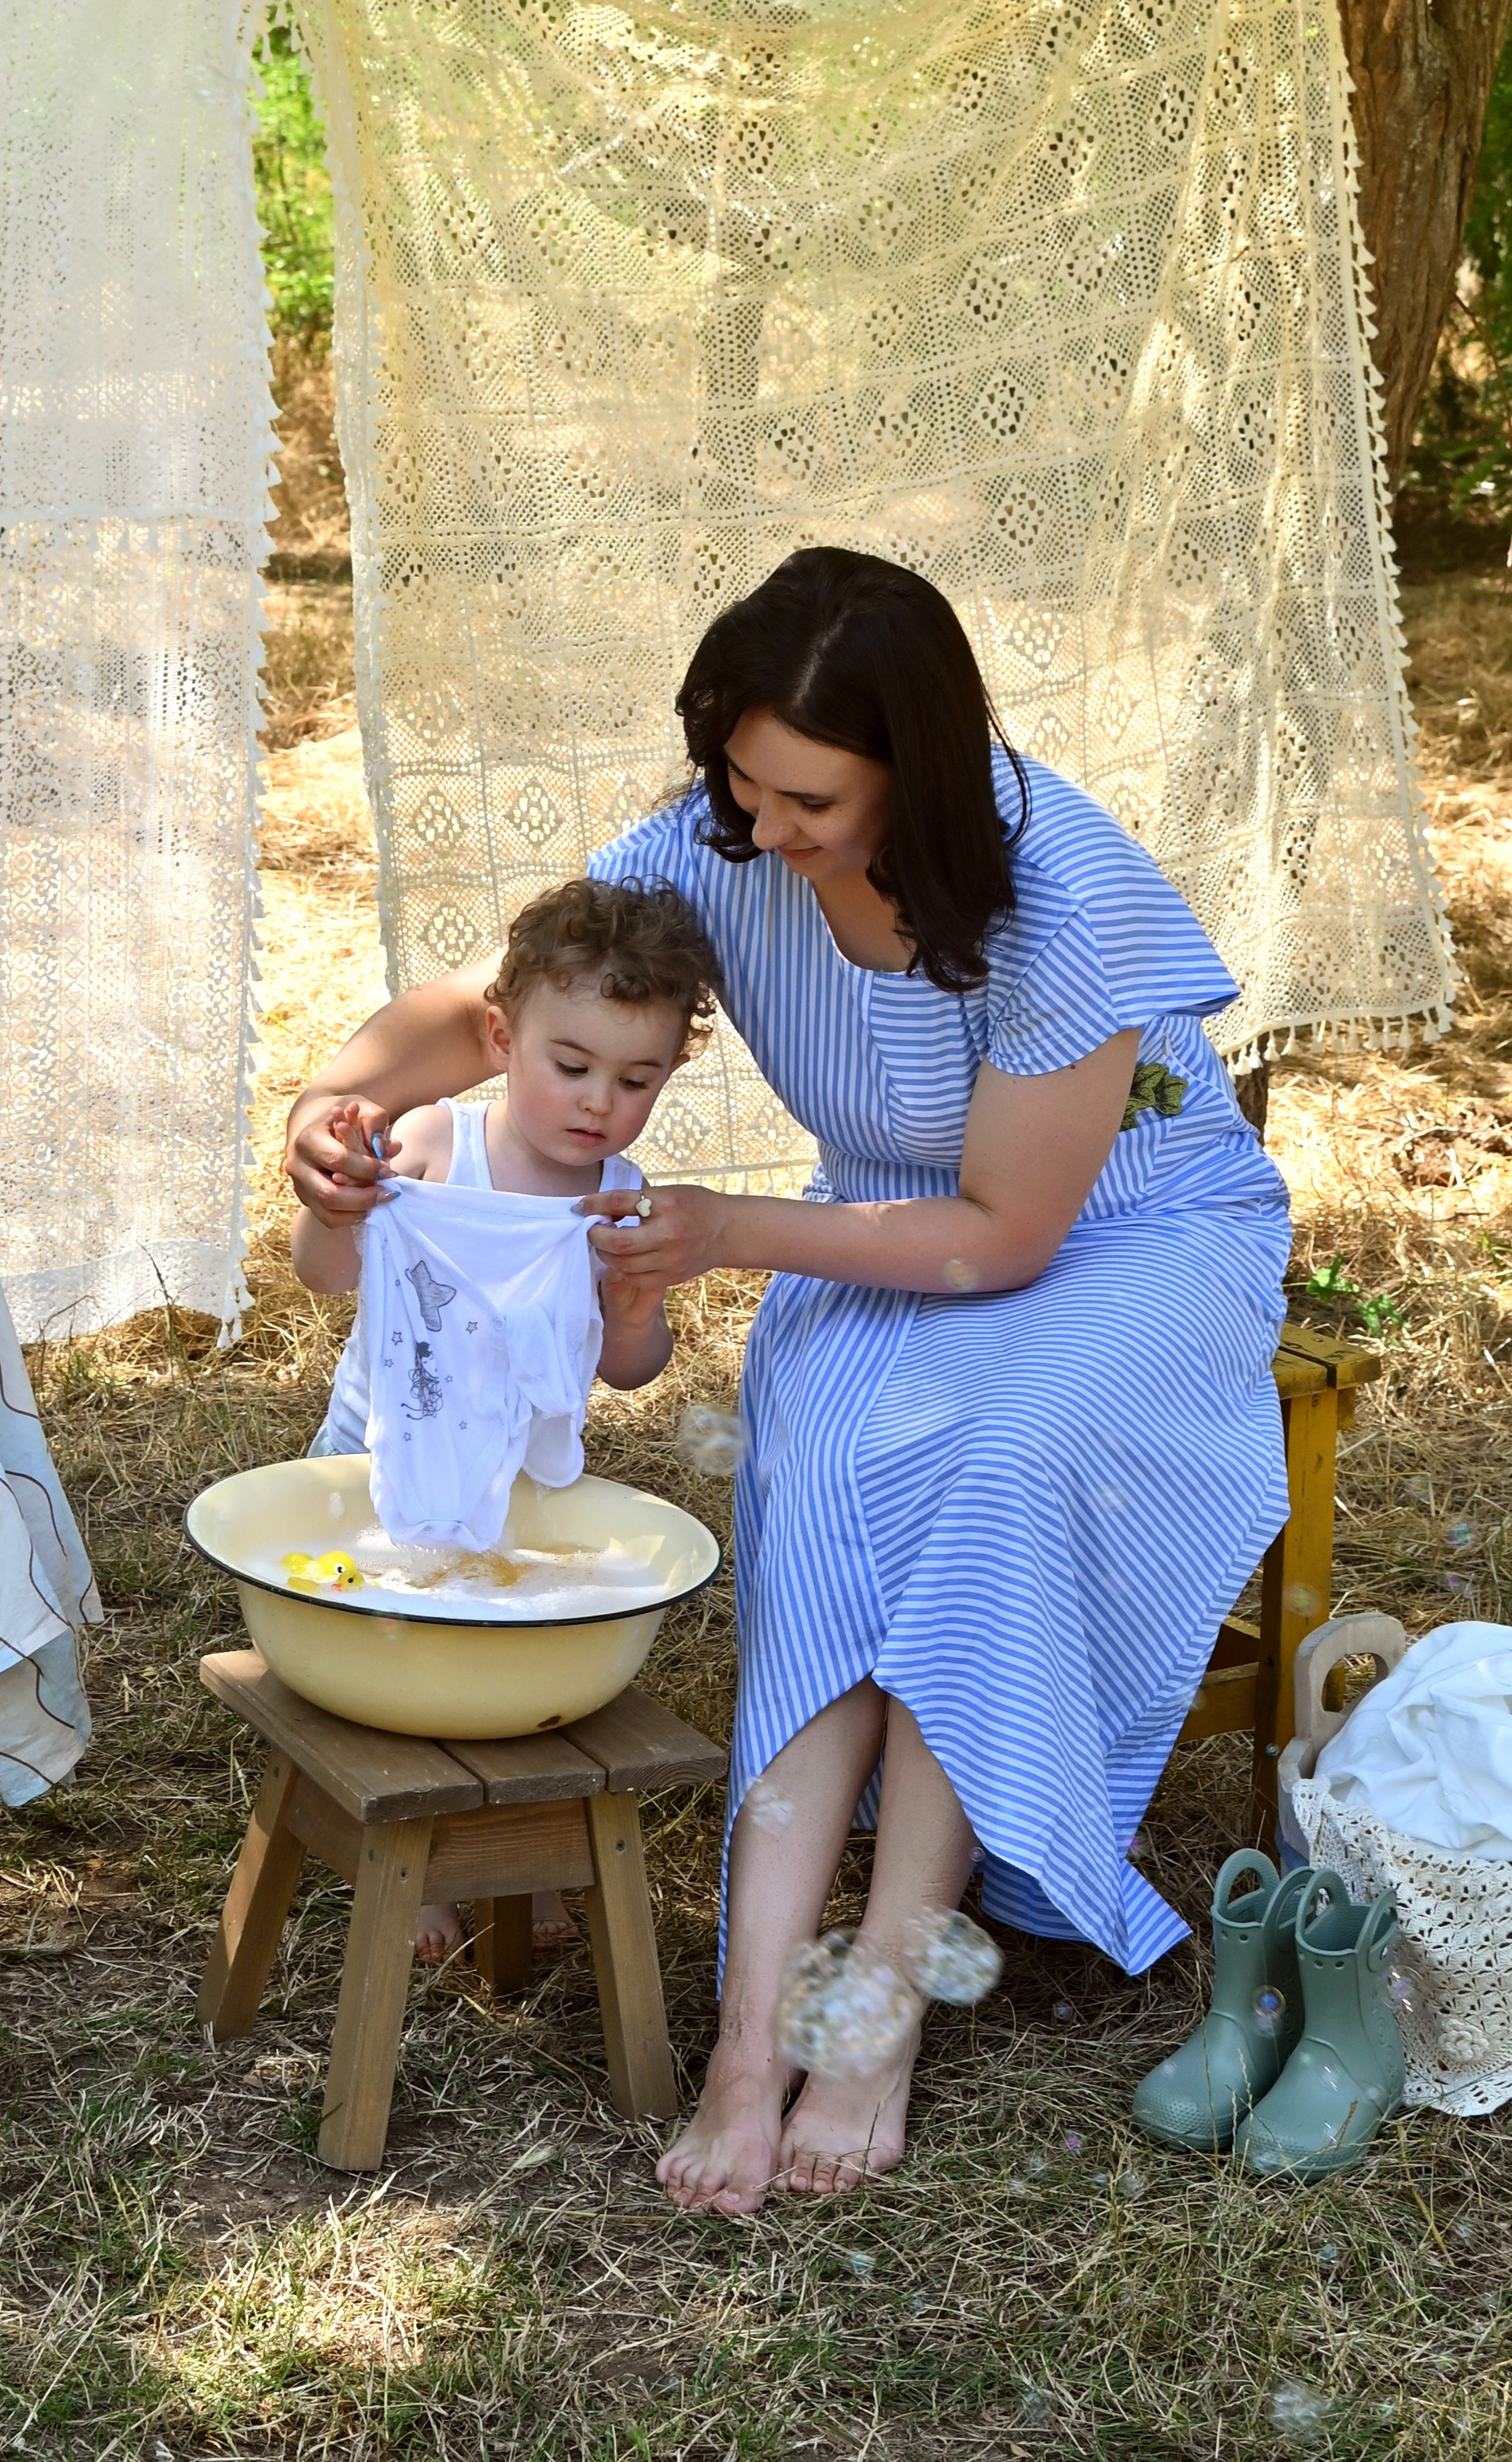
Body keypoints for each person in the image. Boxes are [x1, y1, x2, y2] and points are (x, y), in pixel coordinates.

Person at [287, 548, 1290, 2217]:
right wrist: (330, 1101)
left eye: (806, 795)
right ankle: (753, 2042)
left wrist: (717, 1229)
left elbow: (1003, 1237)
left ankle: (876, 2002)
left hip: (1119, 1244)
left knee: (1002, 1466)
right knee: (820, 1467)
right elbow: (491, 1010)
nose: (759, 830)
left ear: (924, 766)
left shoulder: (1065, 898)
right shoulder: (720, 840)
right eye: (737, 782)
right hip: (878, 1230)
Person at [292, 871, 720, 1965]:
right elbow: (323, 1276)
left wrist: (632, 1304)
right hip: (386, 1464)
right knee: (406, 1667)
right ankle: (420, 1860)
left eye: (637, 1079)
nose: (597, 1103)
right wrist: (338, 1203)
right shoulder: (437, 1147)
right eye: (570, 1066)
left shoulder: (618, 1194)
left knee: (512, 1669)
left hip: (525, 1485)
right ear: (500, 1035)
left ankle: (519, 1862)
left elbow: (632, 1368)